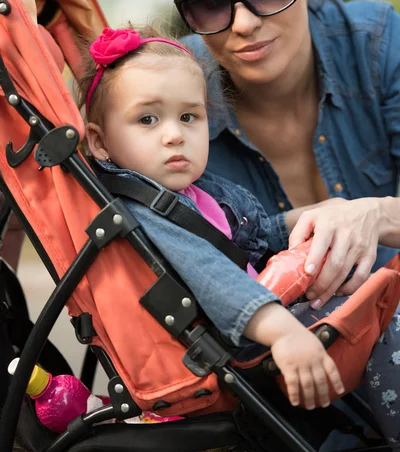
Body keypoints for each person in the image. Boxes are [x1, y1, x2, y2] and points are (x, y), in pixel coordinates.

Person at [77, 25, 400, 448]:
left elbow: (256, 232)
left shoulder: (198, 193)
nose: (174, 134)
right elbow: (212, 275)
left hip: (263, 320)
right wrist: (282, 332)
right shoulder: (144, 211)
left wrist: (317, 215)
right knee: (389, 322)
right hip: (246, 341)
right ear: (100, 143)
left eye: (188, 116)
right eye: (148, 119)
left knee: (379, 280)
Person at [167, 0, 400, 312]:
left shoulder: (376, 43)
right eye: (210, 3)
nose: (244, 24)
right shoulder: (165, 101)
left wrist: (374, 214)